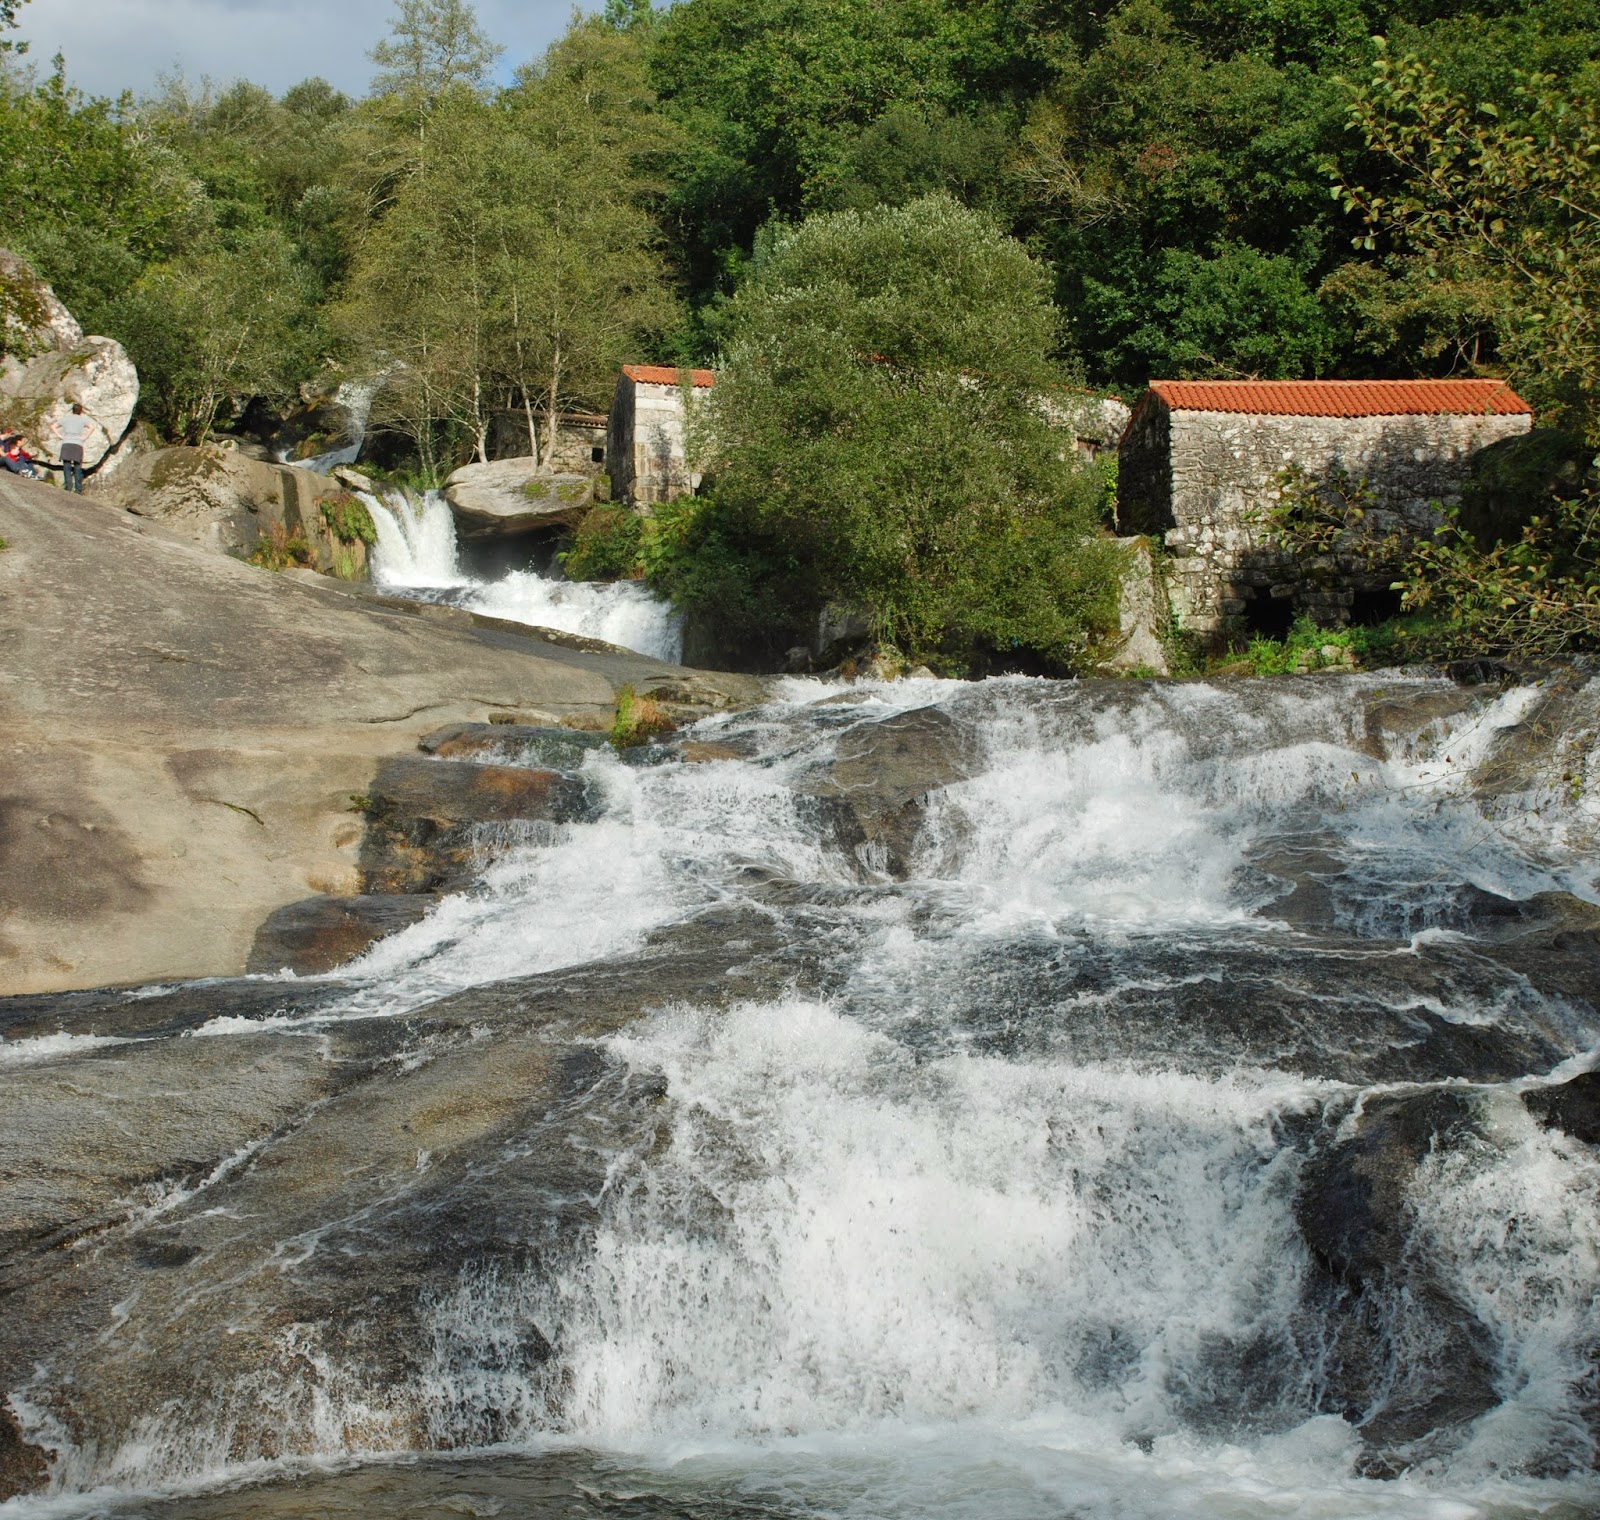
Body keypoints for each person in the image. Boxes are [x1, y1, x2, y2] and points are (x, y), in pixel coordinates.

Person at [49, 403, 96, 493]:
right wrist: (85, 437)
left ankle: (68, 486)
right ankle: (78, 489)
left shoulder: (66, 419)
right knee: (77, 466)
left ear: (72, 410)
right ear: (80, 411)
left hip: (67, 443)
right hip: (77, 444)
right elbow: (92, 427)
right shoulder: (82, 420)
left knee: (66, 465)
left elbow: (53, 426)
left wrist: (60, 436)